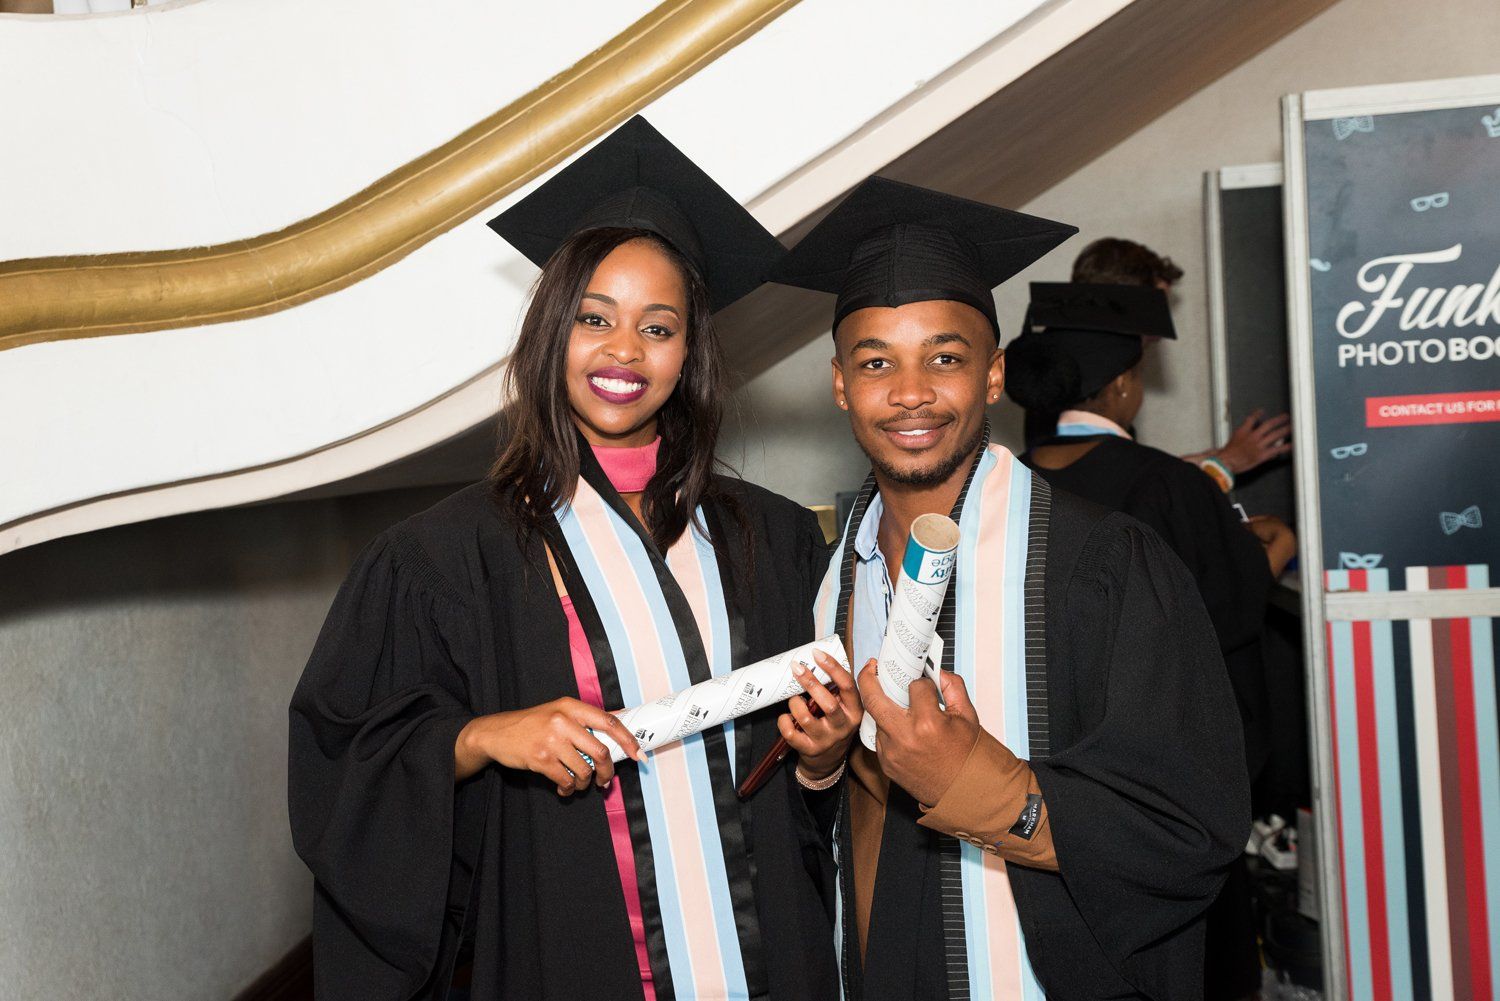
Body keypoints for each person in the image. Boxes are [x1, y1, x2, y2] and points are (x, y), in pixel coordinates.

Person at [287, 116, 860, 1001]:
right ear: (553, 330)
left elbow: (809, 798)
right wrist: (480, 736)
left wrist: (822, 756)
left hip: (769, 962)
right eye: (595, 317)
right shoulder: (442, 559)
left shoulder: (770, 539)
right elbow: (342, 765)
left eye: (657, 327)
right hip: (579, 964)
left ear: (689, 353)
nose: (624, 351)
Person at [771, 176, 1250, 1000]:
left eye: (945, 358)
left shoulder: (1104, 564)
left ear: (993, 375)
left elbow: (1189, 829)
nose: (911, 392)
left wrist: (978, 782)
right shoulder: (830, 576)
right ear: (841, 384)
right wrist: (820, 767)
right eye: (876, 361)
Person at [1005, 280, 1297, 1000]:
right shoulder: (1166, 485)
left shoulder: (1003, 486)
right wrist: (1272, 547)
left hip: (1042, 789)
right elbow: (1223, 608)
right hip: (1158, 790)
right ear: (1125, 387)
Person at [1022, 237, 1293, 490]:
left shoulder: (1063, 364)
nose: (1159, 335)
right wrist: (1224, 465)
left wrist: (1186, 467)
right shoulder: (1069, 383)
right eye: (1157, 313)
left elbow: (1116, 476)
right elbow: (1107, 503)